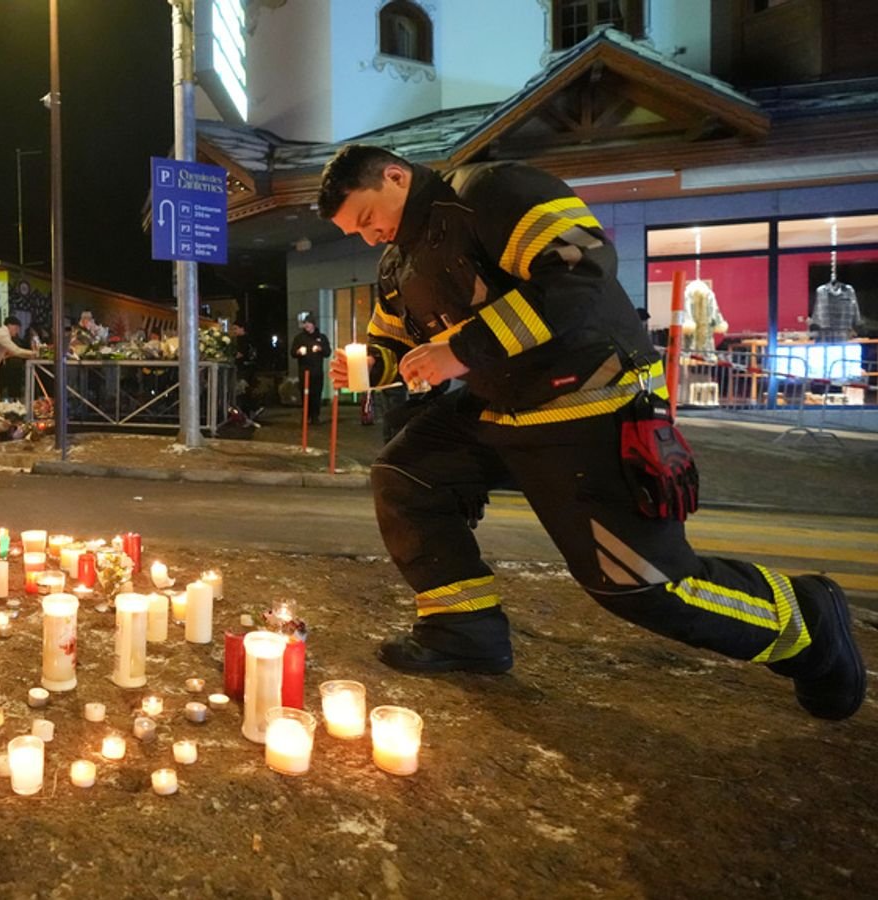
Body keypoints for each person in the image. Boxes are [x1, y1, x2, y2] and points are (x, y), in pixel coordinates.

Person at [316, 143, 864, 719]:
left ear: (396, 176)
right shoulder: (397, 264)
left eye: (367, 218)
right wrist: (371, 366)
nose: (369, 237)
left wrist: (461, 350)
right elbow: (396, 341)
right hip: (502, 406)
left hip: (592, 401)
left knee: (640, 584)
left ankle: (804, 620)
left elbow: (583, 264)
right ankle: (463, 630)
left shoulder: (492, 191)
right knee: (406, 475)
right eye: (356, 231)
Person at [290, 312, 330, 424]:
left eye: (308, 323)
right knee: (305, 394)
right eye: (305, 323)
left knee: (316, 394)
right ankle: (306, 415)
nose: (306, 325)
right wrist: (298, 352)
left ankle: (315, 416)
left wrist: (320, 349)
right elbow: (292, 353)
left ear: (313, 324)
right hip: (304, 371)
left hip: (317, 372)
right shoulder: (299, 338)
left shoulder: (321, 337)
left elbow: (328, 352)